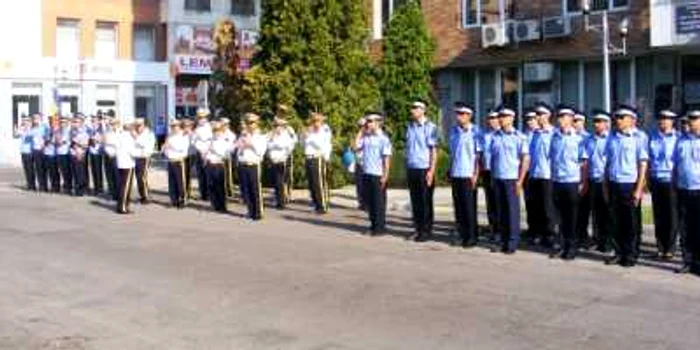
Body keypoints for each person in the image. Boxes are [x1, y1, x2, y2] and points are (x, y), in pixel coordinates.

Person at [604, 106, 649, 267]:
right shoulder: (612, 137)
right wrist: (605, 185)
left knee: (631, 222)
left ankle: (631, 254)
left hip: (629, 184)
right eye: (617, 117)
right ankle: (618, 252)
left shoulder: (639, 137)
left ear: (631, 119)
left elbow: (642, 164)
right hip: (614, 182)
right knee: (615, 221)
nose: (618, 120)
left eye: (622, 117)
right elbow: (607, 163)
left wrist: (639, 188)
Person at [490, 107, 530, 254]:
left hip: (512, 179)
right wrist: (493, 177)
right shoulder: (495, 136)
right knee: (501, 212)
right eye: (500, 116)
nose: (501, 119)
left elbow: (525, 159)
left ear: (512, 118)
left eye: (505, 116)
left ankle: (513, 242)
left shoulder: (519, 137)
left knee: (512, 212)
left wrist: (520, 181)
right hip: (499, 177)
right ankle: (503, 240)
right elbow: (494, 159)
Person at [550, 107, 587, 260]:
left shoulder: (579, 139)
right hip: (558, 181)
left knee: (572, 217)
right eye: (559, 116)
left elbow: (584, 162)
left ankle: (571, 247)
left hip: (572, 181)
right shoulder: (555, 137)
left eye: (564, 117)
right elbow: (552, 159)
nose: (560, 119)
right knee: (560, 217)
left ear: (572, 119)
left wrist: (583, 182)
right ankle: (562, 245)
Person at [447, 103, 481, 247]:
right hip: (456, 173)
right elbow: (452, 154)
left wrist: (475, 175)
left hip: (468, 174)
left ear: (469, 115)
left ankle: (471, 237)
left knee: (469, 208)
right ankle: (461, 234)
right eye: (457, 114)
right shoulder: (454, 131)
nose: (458, 117)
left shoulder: (476, 132)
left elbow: (478, 156)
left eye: (461, 114)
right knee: (459, 207)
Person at [353, 113, 392, 236]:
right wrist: (361, 130)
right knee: (370, 202)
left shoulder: (383, 139)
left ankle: (380, 228)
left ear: (378, 122)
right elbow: (355, 147)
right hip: (367, 172)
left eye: (370, 121)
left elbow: (387, 158)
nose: (368, 123)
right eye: (367, 121)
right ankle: (373, 225)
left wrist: (385, 175)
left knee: (378, 203)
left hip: (378, 174)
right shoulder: (366, 137)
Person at [648, 110, 680, 260]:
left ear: (672, 121)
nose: (663, 122)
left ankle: (670, 248)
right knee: (659, 215)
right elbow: (648, 160)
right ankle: (660, 247)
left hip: (671, 180)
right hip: (656, 179)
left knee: (672, 215)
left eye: (667, 119)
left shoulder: (679, 138)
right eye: (661, 119)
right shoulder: (652, 137)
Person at [581, 110, 613, 253]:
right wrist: (585, 180)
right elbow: (586, 161)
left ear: (607, 124)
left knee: (608, 213)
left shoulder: (611, 139)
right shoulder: (590, 140)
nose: (597, 124)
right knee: (596, 213)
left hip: (606, 180)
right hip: (593, 180)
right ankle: (598, 240)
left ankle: (608, 242)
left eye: (600, 122)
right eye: (595, 122)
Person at [405, 101, 438, 242]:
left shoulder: (430, 128)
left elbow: (434, 151)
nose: (412, 110)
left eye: (415, 108)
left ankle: (426, 230)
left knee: (425, 201)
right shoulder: (410, 127)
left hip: (424, 168)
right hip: (412, 167)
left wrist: (431, 171)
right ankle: (418, 229)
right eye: (412, 108)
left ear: (423, 110)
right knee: (415, 201)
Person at [673, 110, 700, 275]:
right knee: (685, 228)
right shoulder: (681, 141)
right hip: (683, 189)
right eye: (690, 119)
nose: (692, 122)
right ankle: (688, 261)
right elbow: (675, 165)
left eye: (696, 119)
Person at [527, 104, 557, 248]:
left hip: (547, 175)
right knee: (536, 207)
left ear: (548, 116)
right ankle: (537, 233)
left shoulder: (554, 134)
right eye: (537, 114)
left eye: (541, 114)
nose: (538, 117)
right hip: (534, 174)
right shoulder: (535, 134)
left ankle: (549, 235)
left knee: (548, 208)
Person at [236, 113, 268, 220]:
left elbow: (261, 152)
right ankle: (250, 211)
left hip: (253, 165)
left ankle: (258, 213)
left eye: (251, 123)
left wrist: (251, 144)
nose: (249, 125)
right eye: (248, 123)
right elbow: (238, 151)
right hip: (244, 164)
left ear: (256, 124)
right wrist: (241, 145)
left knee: (255, 189)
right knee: (247, 190)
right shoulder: (244, 136)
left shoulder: (260, 137)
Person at [303, 112, 333, 214]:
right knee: (312, 183)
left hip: (318, 157)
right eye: (313, 121)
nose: (315, 123)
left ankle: (322, 206)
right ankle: (316, 204)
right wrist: (304, 136)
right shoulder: (310, 131)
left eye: (317, 121)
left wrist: (310, 137)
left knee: (318, 183)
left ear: (321, 122)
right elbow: (303, 144)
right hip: (309, 157)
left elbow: (320, 145)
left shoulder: (324, 131)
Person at [267, 117, 297, 209]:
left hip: (283, 159)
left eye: (279, 126)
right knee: (276, 182)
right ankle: (279, 199)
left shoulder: (286, 134)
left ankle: (282, 201)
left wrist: (276, 146)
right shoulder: (272, 135)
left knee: (282, 181)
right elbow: (266, 144)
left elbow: (289, 144)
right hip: (274, 160)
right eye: (276, 126)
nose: (277, 128)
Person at [480, 111, 501, 242]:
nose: (491, 120)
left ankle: (500, 230)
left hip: (498, 172)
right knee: (490, 201)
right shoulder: (485, 135)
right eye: (489, 118)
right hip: (487, 171)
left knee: (499, 202)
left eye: (494, 118)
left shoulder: (501, 135)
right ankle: (493, 227)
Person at [574, 111, 593, 249]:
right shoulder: (569, 136)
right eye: (574, 121)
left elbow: (586, 160)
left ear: (583, 122)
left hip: (584, 177)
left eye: (579, 121)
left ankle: (583, 236)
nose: (576, 123)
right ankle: (574, 236)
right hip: (571, 177)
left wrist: (584, 180)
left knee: (584, 209)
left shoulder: (588, 138)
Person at [205, 121, 232, 213]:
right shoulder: (210, 140)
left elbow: (225, 155)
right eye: (214, 130)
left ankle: (222, 206)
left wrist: (214, 149)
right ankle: (214, 204)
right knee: (211, 186)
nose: (216, 132)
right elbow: (206, 153)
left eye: (217, 130)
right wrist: (207, 156)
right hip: (210, 164)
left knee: (220, 187)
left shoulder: (225, 141)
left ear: (221, 131)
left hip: (219, 165)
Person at [162, 120, 189, 208]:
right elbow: (165, 149)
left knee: (180, 182)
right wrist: (165, 150)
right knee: (172, 182)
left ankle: (182, 200)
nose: (173, 128)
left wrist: (170, 146)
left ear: (179, 126)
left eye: (175, 126)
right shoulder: (170, 136)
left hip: (179, 161)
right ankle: (173, 200)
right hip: (171, 160)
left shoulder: (183, 135)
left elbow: (182, 148)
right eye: (172, 126)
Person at [132, 117, 155, 204]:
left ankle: (145, 197)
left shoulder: (149, 133)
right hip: (136, 157)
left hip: (144, 157)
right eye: (136, 125)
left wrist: (136, 137)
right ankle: (142, 195)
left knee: (142, 177)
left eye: (139, 125)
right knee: (138, 178)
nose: (137, 127)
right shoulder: (136, 133)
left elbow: (144, 145)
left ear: (144, 125)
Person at [115, 121, 137, 214]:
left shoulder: (119, 135)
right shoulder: (128, 137)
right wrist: (142, 153)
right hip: (127, 164)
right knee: (126, 186)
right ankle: (123, 207)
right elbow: (132, 151)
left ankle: (122, 205)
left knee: (122, 185)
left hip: (120, 163)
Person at [193, 108, 213, 201]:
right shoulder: (197, 128)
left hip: (208, 153)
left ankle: (209, 194)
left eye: (202, 117)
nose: (200, 119)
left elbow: (211, 141)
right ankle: (203, 194)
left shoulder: (210, 127)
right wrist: (199, 150)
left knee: (208, 175)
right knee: (200, 175)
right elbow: (193, 141)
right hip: (199, 152)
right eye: (199, 117)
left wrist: (206, 152)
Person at [70, 115, 90, 196]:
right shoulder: (73, 131)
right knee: (75, 172)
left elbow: (85, 145)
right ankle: (77, 188)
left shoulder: (84, 132)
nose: (74, 123)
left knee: (80, 173)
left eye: (76, 122)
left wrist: (78, 145)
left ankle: (80, 190)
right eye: (74, 122)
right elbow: (71, 143)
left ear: (81, 123)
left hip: (80, 154)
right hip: (73, 153)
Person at [15, 116, 36, 190]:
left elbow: (30, 138)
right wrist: (20, 127)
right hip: (23, 152)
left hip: (29, 152)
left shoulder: (32, 130)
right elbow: (17, 134)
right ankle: (29, 184)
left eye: (27, 121)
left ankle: (32, 185)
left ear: (30, 122)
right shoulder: (23, 130)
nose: (25, 122)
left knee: (31, 169)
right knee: (26, 169)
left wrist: (26, 130)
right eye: (24, 121)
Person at [103, 117, 120, 200]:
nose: (112, 125)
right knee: (109, 175)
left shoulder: (120, 133)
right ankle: (112, 193)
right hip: (108, 155)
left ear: (118, 124)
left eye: (114, 124)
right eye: (111, 124)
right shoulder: (107, 133)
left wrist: (113, 151)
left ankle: (118, 194)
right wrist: (108, 151)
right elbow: (105, 144)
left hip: (116, 156)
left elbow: (119, 145)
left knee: (116, 176)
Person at [88, 114, 105, 195]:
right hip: (92, 151)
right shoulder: (91, 129)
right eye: (92, 120)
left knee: (98, 171)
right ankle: (96, 187)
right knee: (93, 170)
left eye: (94, 120)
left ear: (98, 120)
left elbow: (103, 139)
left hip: (98, 151)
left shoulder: (101, 129)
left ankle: (100, 188)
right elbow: (89, 139)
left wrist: (98, 140)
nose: (93, 121)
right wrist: (91, 140)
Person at [220, 117, 237, 198]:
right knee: (221, 175)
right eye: (222, 125)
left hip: (227, 156)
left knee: (228, 175)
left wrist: (229, 152)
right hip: (219, 157)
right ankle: (222, 190)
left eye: (225, 125)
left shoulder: (231, 135)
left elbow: (232, 146)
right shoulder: (219, 133)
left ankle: (229, 192)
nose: (223, 126)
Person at [56, 116, 73, 194]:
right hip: (59, 152)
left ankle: (69, 187)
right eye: (61, 122)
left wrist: (62, 142)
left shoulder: (69, 130)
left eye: (64, 122)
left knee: (67, 171)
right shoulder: (58, 130)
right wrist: (57, 141)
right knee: (62, 170)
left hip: (66, 152)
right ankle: (66, 186)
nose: (62, 123)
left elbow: (69, 140)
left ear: (67, 122)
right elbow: (55, 140)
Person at [43, 116, 61, 193]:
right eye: (50, 121)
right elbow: (45, 140)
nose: (51, 123)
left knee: (55, 171)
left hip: (54, 154)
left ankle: (57, 187)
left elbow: (58, 142)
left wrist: (52, 138)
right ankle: (52, 186)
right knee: (50, 171)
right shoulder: (48, 130)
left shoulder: (58, 131)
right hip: (47, 152)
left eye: (53, 121)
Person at [354, 117, 368, 210]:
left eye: (363, 126)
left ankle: (367, 203)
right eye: (360, 126)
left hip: (367, 163)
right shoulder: (358, 136)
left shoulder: (369, 136)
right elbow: (355, 148)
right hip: (359, 162)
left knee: (366, 184)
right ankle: (361, 203)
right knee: (359, 184)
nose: (362, 128)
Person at [182, 118, 196, 200]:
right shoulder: (181, 134)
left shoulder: (192, 134)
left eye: (188, 126)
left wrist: (189, 134)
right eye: (185, 126)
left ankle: (187, 192)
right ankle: (184, 191)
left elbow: (194, 144)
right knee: (183, 174)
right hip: (182, 156)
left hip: (190, 156)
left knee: (187, 174)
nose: (186, 127)